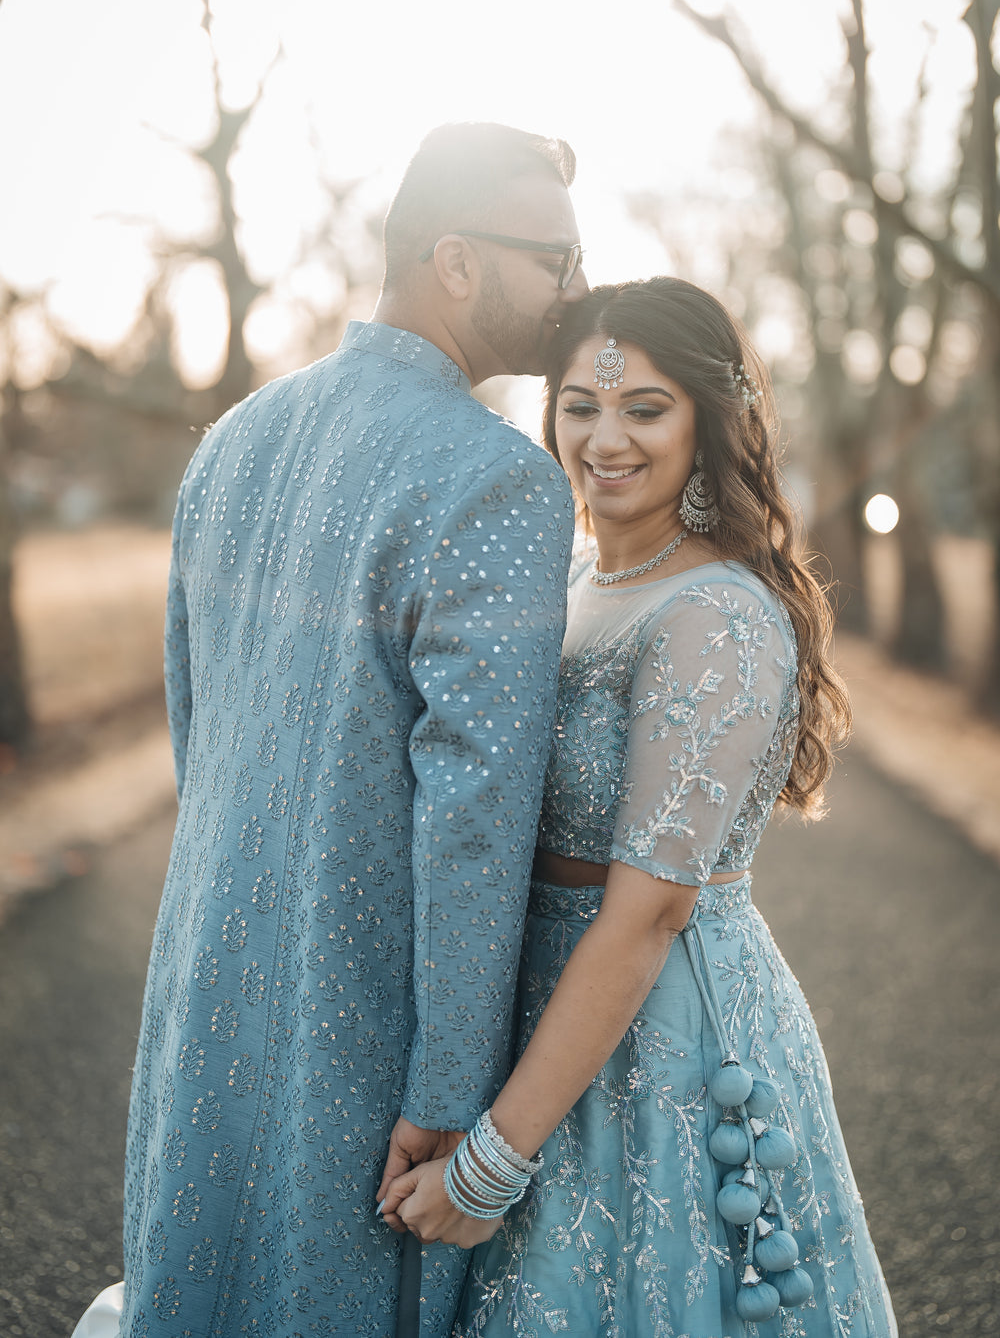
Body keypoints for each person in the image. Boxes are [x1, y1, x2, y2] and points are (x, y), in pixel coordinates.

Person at [70, 122, 588, 1338]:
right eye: (553, 260)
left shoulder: (232, 440)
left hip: (204, 992)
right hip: (367, 1035)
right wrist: (455, 1095)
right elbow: (474, 821)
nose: (577, 290)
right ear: (454, 263)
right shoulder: (500, 480)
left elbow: (199, 733)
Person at [382, 277, 898, 1336]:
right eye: (580, 405)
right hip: (534, 1014)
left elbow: (648, 914)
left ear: (710, 420)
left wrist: (490, 1166)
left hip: (660, 1039)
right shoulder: (570, 577)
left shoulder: (716, 612)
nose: (605, 437)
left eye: (644, 407)